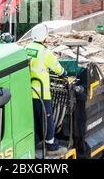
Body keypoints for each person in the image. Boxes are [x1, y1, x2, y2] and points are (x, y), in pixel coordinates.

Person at [25, 23, 68, 156]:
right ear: (44, 38)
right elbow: (58, 69)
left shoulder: (26, 48)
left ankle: (36, 140)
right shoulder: (45, 52)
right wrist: (64, 73)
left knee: (33, 118)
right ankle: (51, 146)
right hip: (42, 93)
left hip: (28, 92)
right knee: (47, 119)